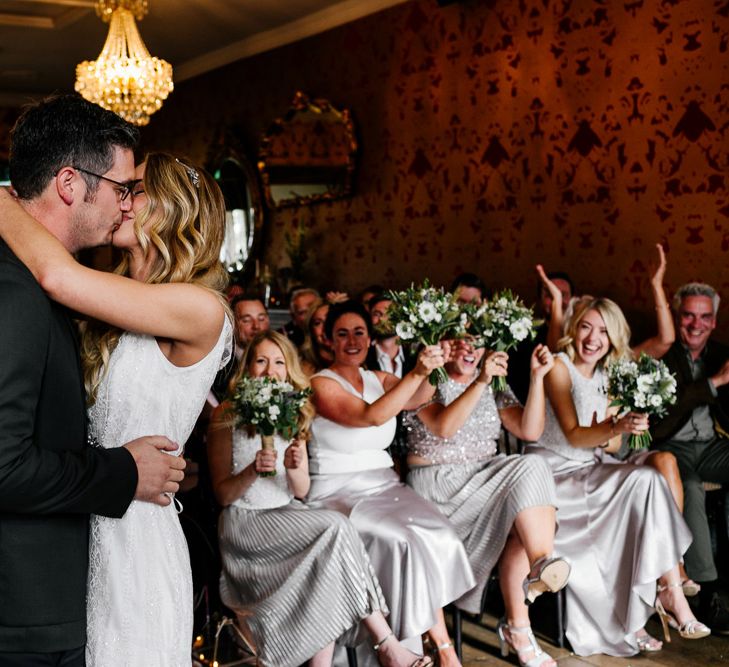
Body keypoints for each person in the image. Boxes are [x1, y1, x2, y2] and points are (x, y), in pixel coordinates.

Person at [0, 149, 233, 665]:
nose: (121, 201)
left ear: (177, 208)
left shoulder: (201, 307)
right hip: (82, 524)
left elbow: (56, 277)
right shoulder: (112, 307)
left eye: (137, 190)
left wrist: (2, 200)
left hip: (137, 540)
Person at [208, 331, 433, 667]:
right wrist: (252, 470)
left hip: (286, 512)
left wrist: (295, 466)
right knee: (334, 527)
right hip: (246, 523)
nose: (271, 370)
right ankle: (386, 644)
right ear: (247, 367)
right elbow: (223, 494)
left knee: (329, 554)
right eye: (261, 361)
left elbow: (300, 490)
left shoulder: (292, 410)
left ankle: (359, 654)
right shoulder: (226, 413)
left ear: (289, 369)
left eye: (279, 362)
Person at [526, 296, 710, 656]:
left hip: (592, 468)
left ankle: (665, 590)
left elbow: (608, 447)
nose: (593, 338)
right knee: (643, 483)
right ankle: (667, 592)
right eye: (586, 327)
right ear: (574, 328)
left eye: (604, 331)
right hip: (553, 474)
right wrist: (615, 425)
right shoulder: (560, 368)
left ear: (613, 339)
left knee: (649, 482)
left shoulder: (607, 374)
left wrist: (630, 422)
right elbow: (574, 434)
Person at [306, 301, 475, 667]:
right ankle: (403, 650)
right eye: (342, 333)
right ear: (328, 339)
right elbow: (372, 415)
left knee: (437, 531)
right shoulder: (320, 384)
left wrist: (436, 364)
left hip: (384, 486)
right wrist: (417, 371)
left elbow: (419, 397)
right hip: (337, 491)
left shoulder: (378, 379)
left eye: (359, 332)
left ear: (369, 338)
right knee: (401, 542)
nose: (352, 341)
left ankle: (422, 646)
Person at [404, 339, 567, 667]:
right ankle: (517, 628)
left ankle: (537, 571)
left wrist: (537, 378)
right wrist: (480, 382)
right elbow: (444, 428)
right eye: (459, 342)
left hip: (484, 481)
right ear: (442, 342)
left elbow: (529, 430)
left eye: (477, 345)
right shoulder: (425, 379)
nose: (468, 351)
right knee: (521, 506)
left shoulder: (493, 382)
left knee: (533, 470)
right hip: (437, 490)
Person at [651, 282, 729, 633]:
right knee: (692, 488)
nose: (696, 324)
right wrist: (712, 384)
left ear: (714, 322)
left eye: (704, 317)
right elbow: (660, 420)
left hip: (714, 445)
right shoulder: (661, 356)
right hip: (672, 448)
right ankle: (707, 592)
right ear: (677, 316)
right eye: (688, 316)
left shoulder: (722, 354)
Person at [300, 298, 335, 374]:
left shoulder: (358, 365)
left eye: (331, 320)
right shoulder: (301, 370)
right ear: (311, 330)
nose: (325, 328)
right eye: (318, 323)